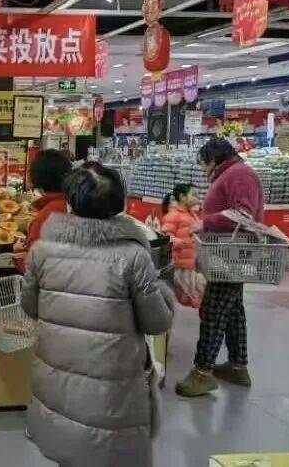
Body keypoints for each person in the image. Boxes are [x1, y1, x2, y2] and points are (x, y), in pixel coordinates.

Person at [21, 162, 175, 467]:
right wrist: (165, 296)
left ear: (69, 204)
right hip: (112, 388)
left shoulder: (42, 251)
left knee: (68, 446)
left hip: (59, 377)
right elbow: (157, 321)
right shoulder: (133, 257)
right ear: (118, 206)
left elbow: (30, 306)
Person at [175, 139, 263, 397]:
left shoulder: (239, 174)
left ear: (214, 159)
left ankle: (202, 373)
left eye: (204, 164)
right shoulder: (233, 173)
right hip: (228, 254)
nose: (204, 170)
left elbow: (243, 214)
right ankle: (237, 366)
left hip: (231, 256)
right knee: (233, 311)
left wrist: (205, 223)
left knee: (212, 310)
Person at [14, 149, 72, 273]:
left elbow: (35, 268)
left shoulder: (46, 217)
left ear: (37, 177)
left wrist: (18, 255)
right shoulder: (76, 205)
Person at [161, 183, 204, 308]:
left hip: (191, 264)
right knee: (184, 299)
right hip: (180, 266)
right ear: (182, 197)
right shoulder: (173, 215)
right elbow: (166, 238)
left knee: (196, 299)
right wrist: (184, 243)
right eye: (194, 195)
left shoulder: (192, 214)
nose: (198, 198)